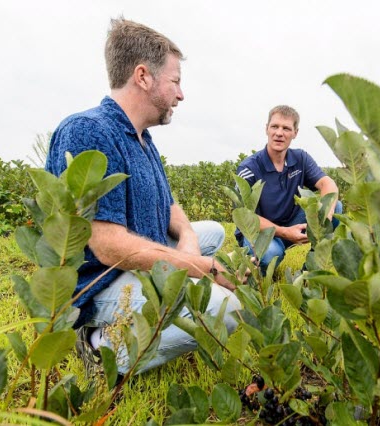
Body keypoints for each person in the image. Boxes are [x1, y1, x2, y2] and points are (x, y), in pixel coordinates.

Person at [44, 18, 240, 376]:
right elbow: (109, 247)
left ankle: (154, 305)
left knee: (213, 231)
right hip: (101, 280)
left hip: (134, 259)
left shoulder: (143, 139)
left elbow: (169, 205)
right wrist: (202, 267)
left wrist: (190, 241)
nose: (180, 94)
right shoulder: (89, 131)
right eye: (176, 81)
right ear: (143, 76)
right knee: (229, 310)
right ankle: (102, 350)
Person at [235, 105, 342, 274]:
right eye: (275, 126)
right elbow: (244, 217)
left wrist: (324, 220)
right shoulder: (249, 168)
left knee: (334, 207)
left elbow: (328, 185)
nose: (279, 133)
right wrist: (285, 232)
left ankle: (311, 269)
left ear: (295, 133)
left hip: (291, 222)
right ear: (266, 129)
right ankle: (253, 267)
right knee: (270, 255)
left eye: (286, 128)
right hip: (260, 232)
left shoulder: (300, 158)